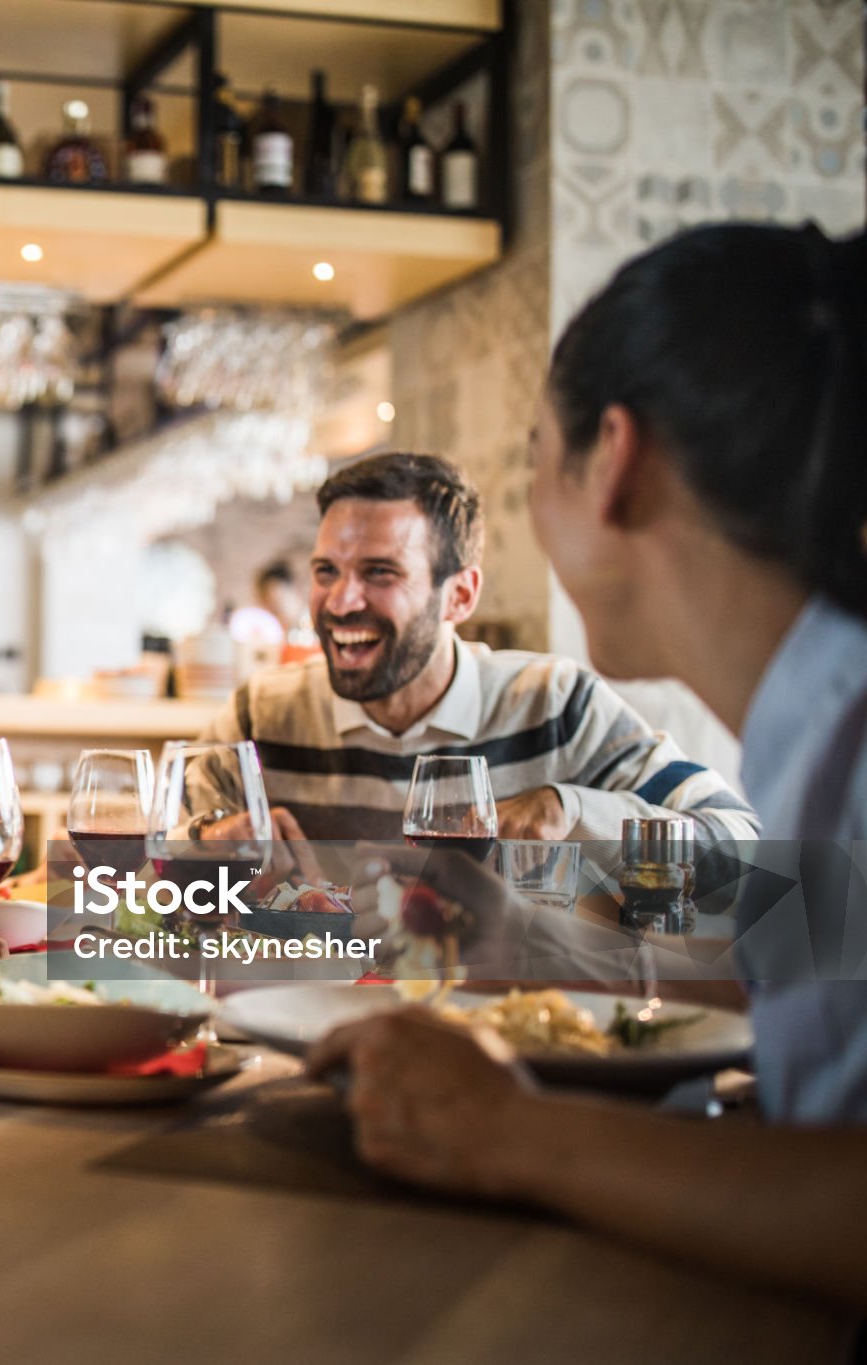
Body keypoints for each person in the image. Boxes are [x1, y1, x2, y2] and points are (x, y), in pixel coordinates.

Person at [311, 223, 867, 1310]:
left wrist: (505, 1129)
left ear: (614, 459)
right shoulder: (818, 717)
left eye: (532, 461)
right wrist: (523, 917)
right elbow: (783, 928)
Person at [199, 452, 759, 845]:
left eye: (380, 572)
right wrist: (208, 849)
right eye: (327, 571)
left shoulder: (555, 708)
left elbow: (741, 843)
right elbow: (161, 855)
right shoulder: (261, 716)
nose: (341, 601)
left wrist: (571, 811)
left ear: (460, 595)